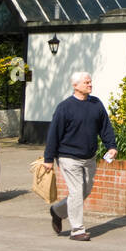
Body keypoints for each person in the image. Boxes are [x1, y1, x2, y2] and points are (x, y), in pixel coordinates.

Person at [44, 71, 117, 241]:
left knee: (86, 190)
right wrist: (48, 159)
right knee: (76, 192)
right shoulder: (65, 107)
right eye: (86, 83)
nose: (90, 85)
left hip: (89, 157)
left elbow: (105, 127)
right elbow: (53, 134)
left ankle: (58, 211)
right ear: (75, 86)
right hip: (68, 157)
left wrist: (111, 146)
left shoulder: (96, 104)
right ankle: (77, 230)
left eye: (90, 82)